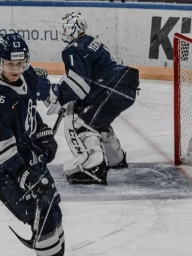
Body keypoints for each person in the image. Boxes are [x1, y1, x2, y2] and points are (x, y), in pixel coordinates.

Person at [0, 32, 88, 256]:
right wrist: (24, 174)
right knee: (43, 205)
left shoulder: (26, 77)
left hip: (27, 155)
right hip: (2, 169)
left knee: (52, 206)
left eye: (20, 63)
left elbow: (31, 111)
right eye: (9, 64)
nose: (15, 69)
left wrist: (42, 133)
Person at [48, 12, 139, 185]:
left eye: (65, 28)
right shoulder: (90, 41)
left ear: (73, 29)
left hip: (112, 88)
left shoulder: (73, 48)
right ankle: (115, 158)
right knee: (97, 121)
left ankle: (93, 169)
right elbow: (88, 78)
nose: (63, 32)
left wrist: (58, 95)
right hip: (125, 83)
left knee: (82, 124)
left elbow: (80, 86)